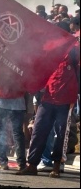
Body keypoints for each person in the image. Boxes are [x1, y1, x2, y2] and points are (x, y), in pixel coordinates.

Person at [16, 34, 79, 177]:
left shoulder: (74, 51)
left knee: (61, 134)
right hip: (47, 99)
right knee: (38, 131)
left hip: (65, 101)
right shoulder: (48, 52)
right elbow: (38, 71)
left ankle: (56, 167)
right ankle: (32, 165)